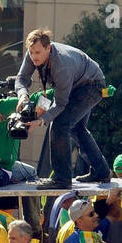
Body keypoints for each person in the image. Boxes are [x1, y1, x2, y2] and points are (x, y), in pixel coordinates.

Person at [14, 28, 109, 188]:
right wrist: (23, 95)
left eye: (38, 52)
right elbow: (21, 78)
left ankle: (62, 179)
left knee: (59, 125)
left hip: (92, 85)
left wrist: (41, 120)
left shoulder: (61, 66)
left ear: (48, 48)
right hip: (75, 84)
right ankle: (101, 171)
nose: (34, 57)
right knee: (76, 128)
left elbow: (60, 104)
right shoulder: (33, 54)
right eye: (31, 52)